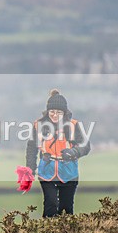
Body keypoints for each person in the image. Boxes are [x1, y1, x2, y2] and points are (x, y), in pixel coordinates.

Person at [25, 89, 91, 217]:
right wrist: (30, 169)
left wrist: (74, 152)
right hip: (47, 171)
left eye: (59, 112)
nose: (55, 115)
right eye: (52, 112)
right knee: (51, 204)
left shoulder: (74, 125)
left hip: (68, 171)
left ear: (64, 112)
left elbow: (86, 145)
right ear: (47, 111)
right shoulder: (39, 125)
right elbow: (32, 148)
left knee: (66, 209)